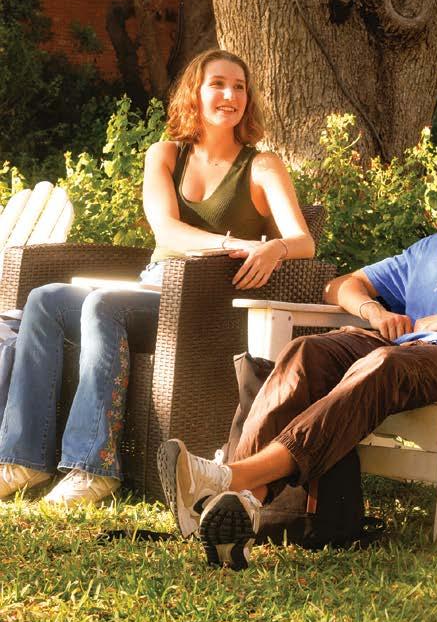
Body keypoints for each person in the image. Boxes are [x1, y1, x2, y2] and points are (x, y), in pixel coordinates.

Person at [158, 110, 437, 566]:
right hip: (404, 352)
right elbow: (341, 286)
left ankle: (227, 479)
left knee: (383, 363)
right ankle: (244, 502)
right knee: (307, 352)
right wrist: (374, 311)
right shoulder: (435, 248)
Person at [0, 49, 315, 506]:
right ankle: (23, 458)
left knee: (103, 303)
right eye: (218, 84)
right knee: (45, 298)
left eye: (239, 87)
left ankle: (94, 469)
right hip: (152, 285)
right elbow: (166, 230)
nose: (230, 95)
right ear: (195, 93)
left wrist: (273, 248)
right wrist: (238, 243)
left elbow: (303, 241)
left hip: (201, 301)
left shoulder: (262, 166)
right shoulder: (165, 154)